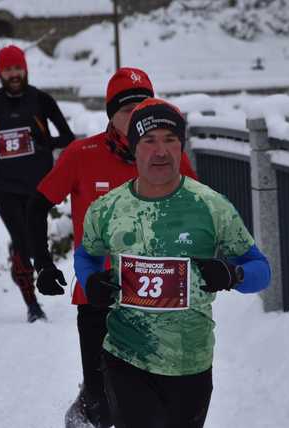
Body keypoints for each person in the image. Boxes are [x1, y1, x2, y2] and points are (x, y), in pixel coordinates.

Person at [74, 98, 271, 428]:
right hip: (126, 355)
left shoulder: (211, 206)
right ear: (134, 148)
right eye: (149, 141)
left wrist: (232, 273)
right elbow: (86, 255)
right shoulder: (107, 208)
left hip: (190, 361)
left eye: (170, 140)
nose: (160, 151)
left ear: (182, 147)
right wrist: (90, 280)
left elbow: (261, 271)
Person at [27, 68, 197, 428]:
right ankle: (89, 406)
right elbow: (36, 205)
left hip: (157, 294)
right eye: (126, 110)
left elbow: (199, 213)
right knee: (102, 403)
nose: (136, 117)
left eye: (144, 108)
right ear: (110, 115)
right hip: (99, 295)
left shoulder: (171, 157)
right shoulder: (81, 154)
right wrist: (42, 264)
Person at [0, 45, 75, 323]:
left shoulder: (41, 100)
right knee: (22, 242)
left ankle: (26, 270)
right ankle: (32, 304)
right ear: (0, 72)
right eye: (8, 69)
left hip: (37, 187)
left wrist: (46, 143)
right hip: (4, 187)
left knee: (33, 245)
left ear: (25, 69)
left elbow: (67, 137)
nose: (14, 74)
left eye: (17, 68)